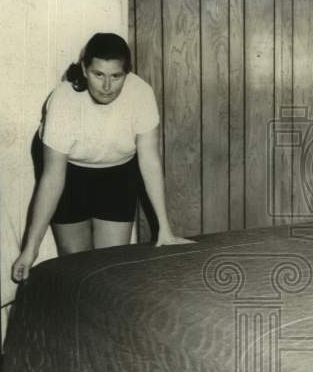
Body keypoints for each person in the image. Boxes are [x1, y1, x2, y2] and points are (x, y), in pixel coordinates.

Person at [11, 32, 192, 281]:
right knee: (76, 263)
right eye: (99, 75)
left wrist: (165, 228)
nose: (107, 87)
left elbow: (149, 162)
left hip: (117, 169)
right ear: (84, 69)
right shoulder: (64, 99)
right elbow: (53, 177)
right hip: (69, 170)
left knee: (113, 262)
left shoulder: (141, 94)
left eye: (116, 76)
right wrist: (29, 251)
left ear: (127, 73)